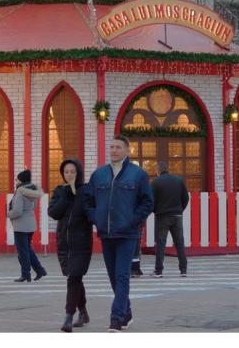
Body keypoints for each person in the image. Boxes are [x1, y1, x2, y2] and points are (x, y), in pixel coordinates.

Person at [82, 135, 154, 332]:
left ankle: (116, 317)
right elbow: (87, 201)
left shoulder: (138, 175)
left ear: (126, 151)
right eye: (111, 147)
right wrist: (95, 217)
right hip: (106, 234)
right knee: (113, 277)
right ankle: (127, 313)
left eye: (118, 147)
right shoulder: (99, 175)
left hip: (127, 235)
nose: (113, 150)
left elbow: (147, 202)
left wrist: (132, 220)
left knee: (122, 275)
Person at [48, 159, 93, 332]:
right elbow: (53, 213)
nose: (69, 175)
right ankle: (83, 312)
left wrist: (77, 195)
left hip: (81, 243)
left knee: (74, 277)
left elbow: (90, 214)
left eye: (72, 172)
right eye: (66, 172)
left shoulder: (86, 191)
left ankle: (68, 316)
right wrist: (67, 196)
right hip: (64, 243)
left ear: (78, 173)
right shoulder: (60, 191)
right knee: (75, 278)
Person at [150, 161, 190, 277]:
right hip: (177, 216)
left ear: (158, 171)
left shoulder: (156, 182)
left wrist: (155, 211)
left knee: (161, 244)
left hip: (162, 216)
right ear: (168, 169)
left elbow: (151, 200)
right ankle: (183, 270)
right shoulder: (178, 180)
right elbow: (185, 198)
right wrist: (179, 210)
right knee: (179, 243)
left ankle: (159, 271)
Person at [8, 169, 47, 282]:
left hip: (21, 225)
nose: (15, 181)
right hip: (30, 224)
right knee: (27, 249)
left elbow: (17, 211)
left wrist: (8, 214)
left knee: (23, 251)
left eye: (17, 179)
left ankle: (25, 274)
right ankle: (40, 270)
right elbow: (33, 207)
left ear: (21, 180)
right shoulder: (33, 190)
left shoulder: (20, 191)